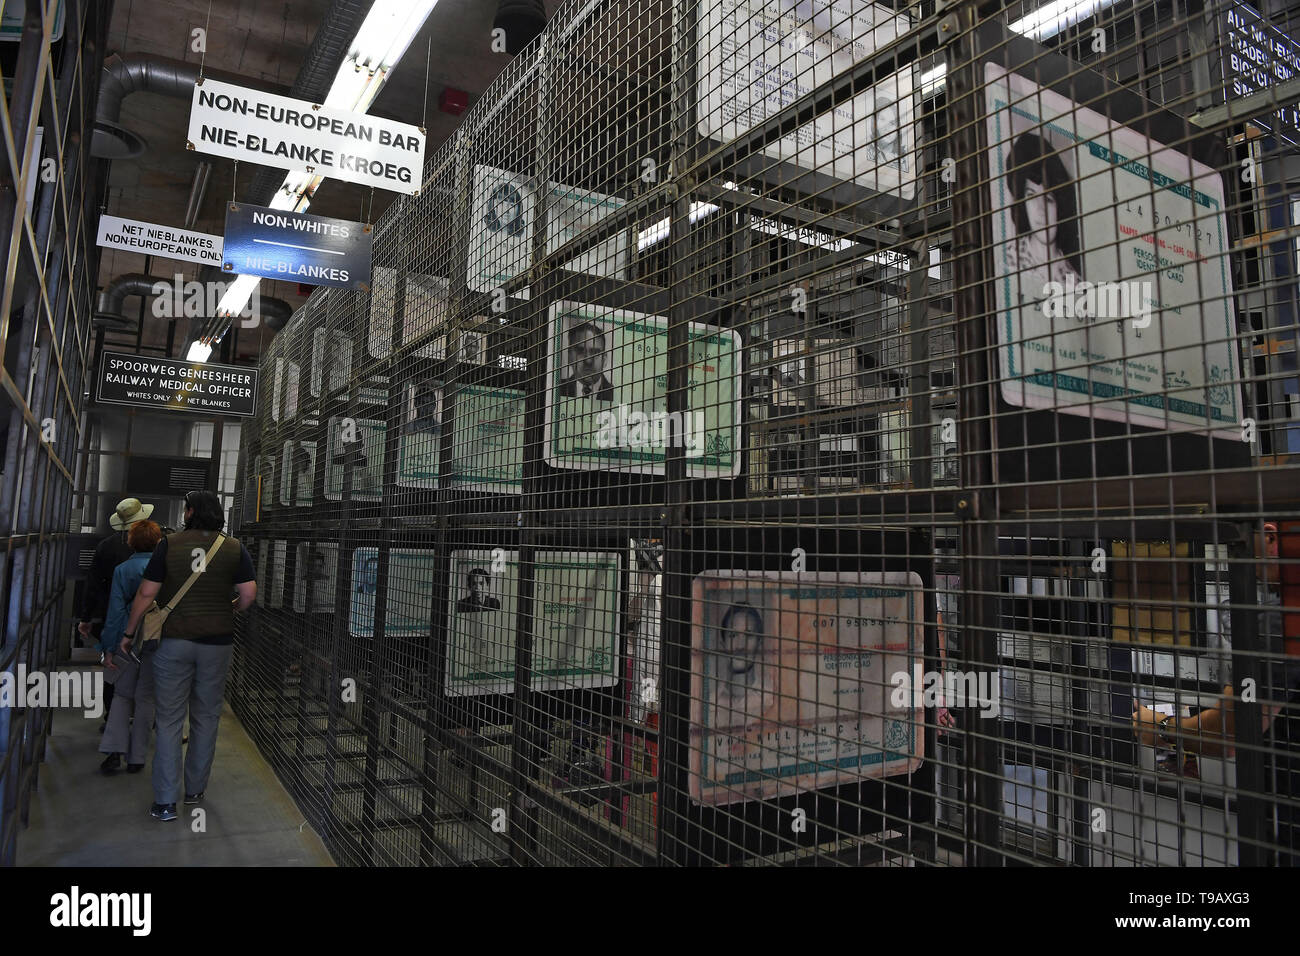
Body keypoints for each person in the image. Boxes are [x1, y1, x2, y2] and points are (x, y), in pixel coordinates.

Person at [1131, 522, 1298, 864]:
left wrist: (1160, 728)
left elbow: (1233, 731)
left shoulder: (1274, 620)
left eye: (1239, 545)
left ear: (1270, 536)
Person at [122, 490, 256, 822]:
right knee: (206, 716)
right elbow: (249, 594)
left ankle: (166, 802)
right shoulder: (234, 548)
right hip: (218, 641)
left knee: (168, 719)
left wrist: (128, 633)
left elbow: (147, 591)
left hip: (174, 641)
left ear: (192, 512)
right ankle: (195, 791)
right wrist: (228, 610)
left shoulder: (170, 544)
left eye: (186, 508)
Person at [80, 497, 155, 726]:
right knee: (149, 673)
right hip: (151, 621)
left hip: (112, 617)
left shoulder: (106, 547)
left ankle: (113, 717)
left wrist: (86, 617)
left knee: (113, 671)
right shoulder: (158, 551)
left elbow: (92, 583)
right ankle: (147, 720)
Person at [97, 520, 163, 774]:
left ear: (130, 541)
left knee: (122, 696)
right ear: (158, 541)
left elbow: (114, 613)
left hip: (127, 637)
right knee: (146, 698)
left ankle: (114, 750)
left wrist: (109, 648)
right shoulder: (164, 570)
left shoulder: (123, 570)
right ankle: (137, 758)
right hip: (156, 638)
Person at [1003, 132, 1085, 300]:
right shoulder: (1008, 262)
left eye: (1048, 199)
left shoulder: (1077, 282)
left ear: (1060, 206)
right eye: (1032, 196)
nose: (1041, 210)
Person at [710, 602, 776, 729]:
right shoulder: (711, 702)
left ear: (759, 643)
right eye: (733, 635)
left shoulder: (771, 697)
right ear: (723, 644)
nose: (740, 645)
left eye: (749, 635)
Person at [558, 322, 614, 401]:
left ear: (604, 359)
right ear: (569, 357)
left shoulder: (616, 394)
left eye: (595, 352)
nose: (588, 360)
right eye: (580, 351)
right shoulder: (557, 389)